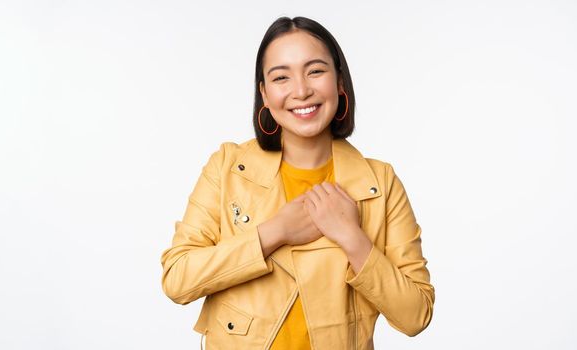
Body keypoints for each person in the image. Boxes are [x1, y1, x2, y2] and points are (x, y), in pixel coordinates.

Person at [160, 16, 434, 349]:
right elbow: (177, 279)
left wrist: (352, 238)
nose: (301, 90)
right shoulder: (228, 167)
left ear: (340, 82)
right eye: (281, 77)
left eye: (316, 71)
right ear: (264, 92)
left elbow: (416, 314)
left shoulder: (379, 182)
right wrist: (275, 232)